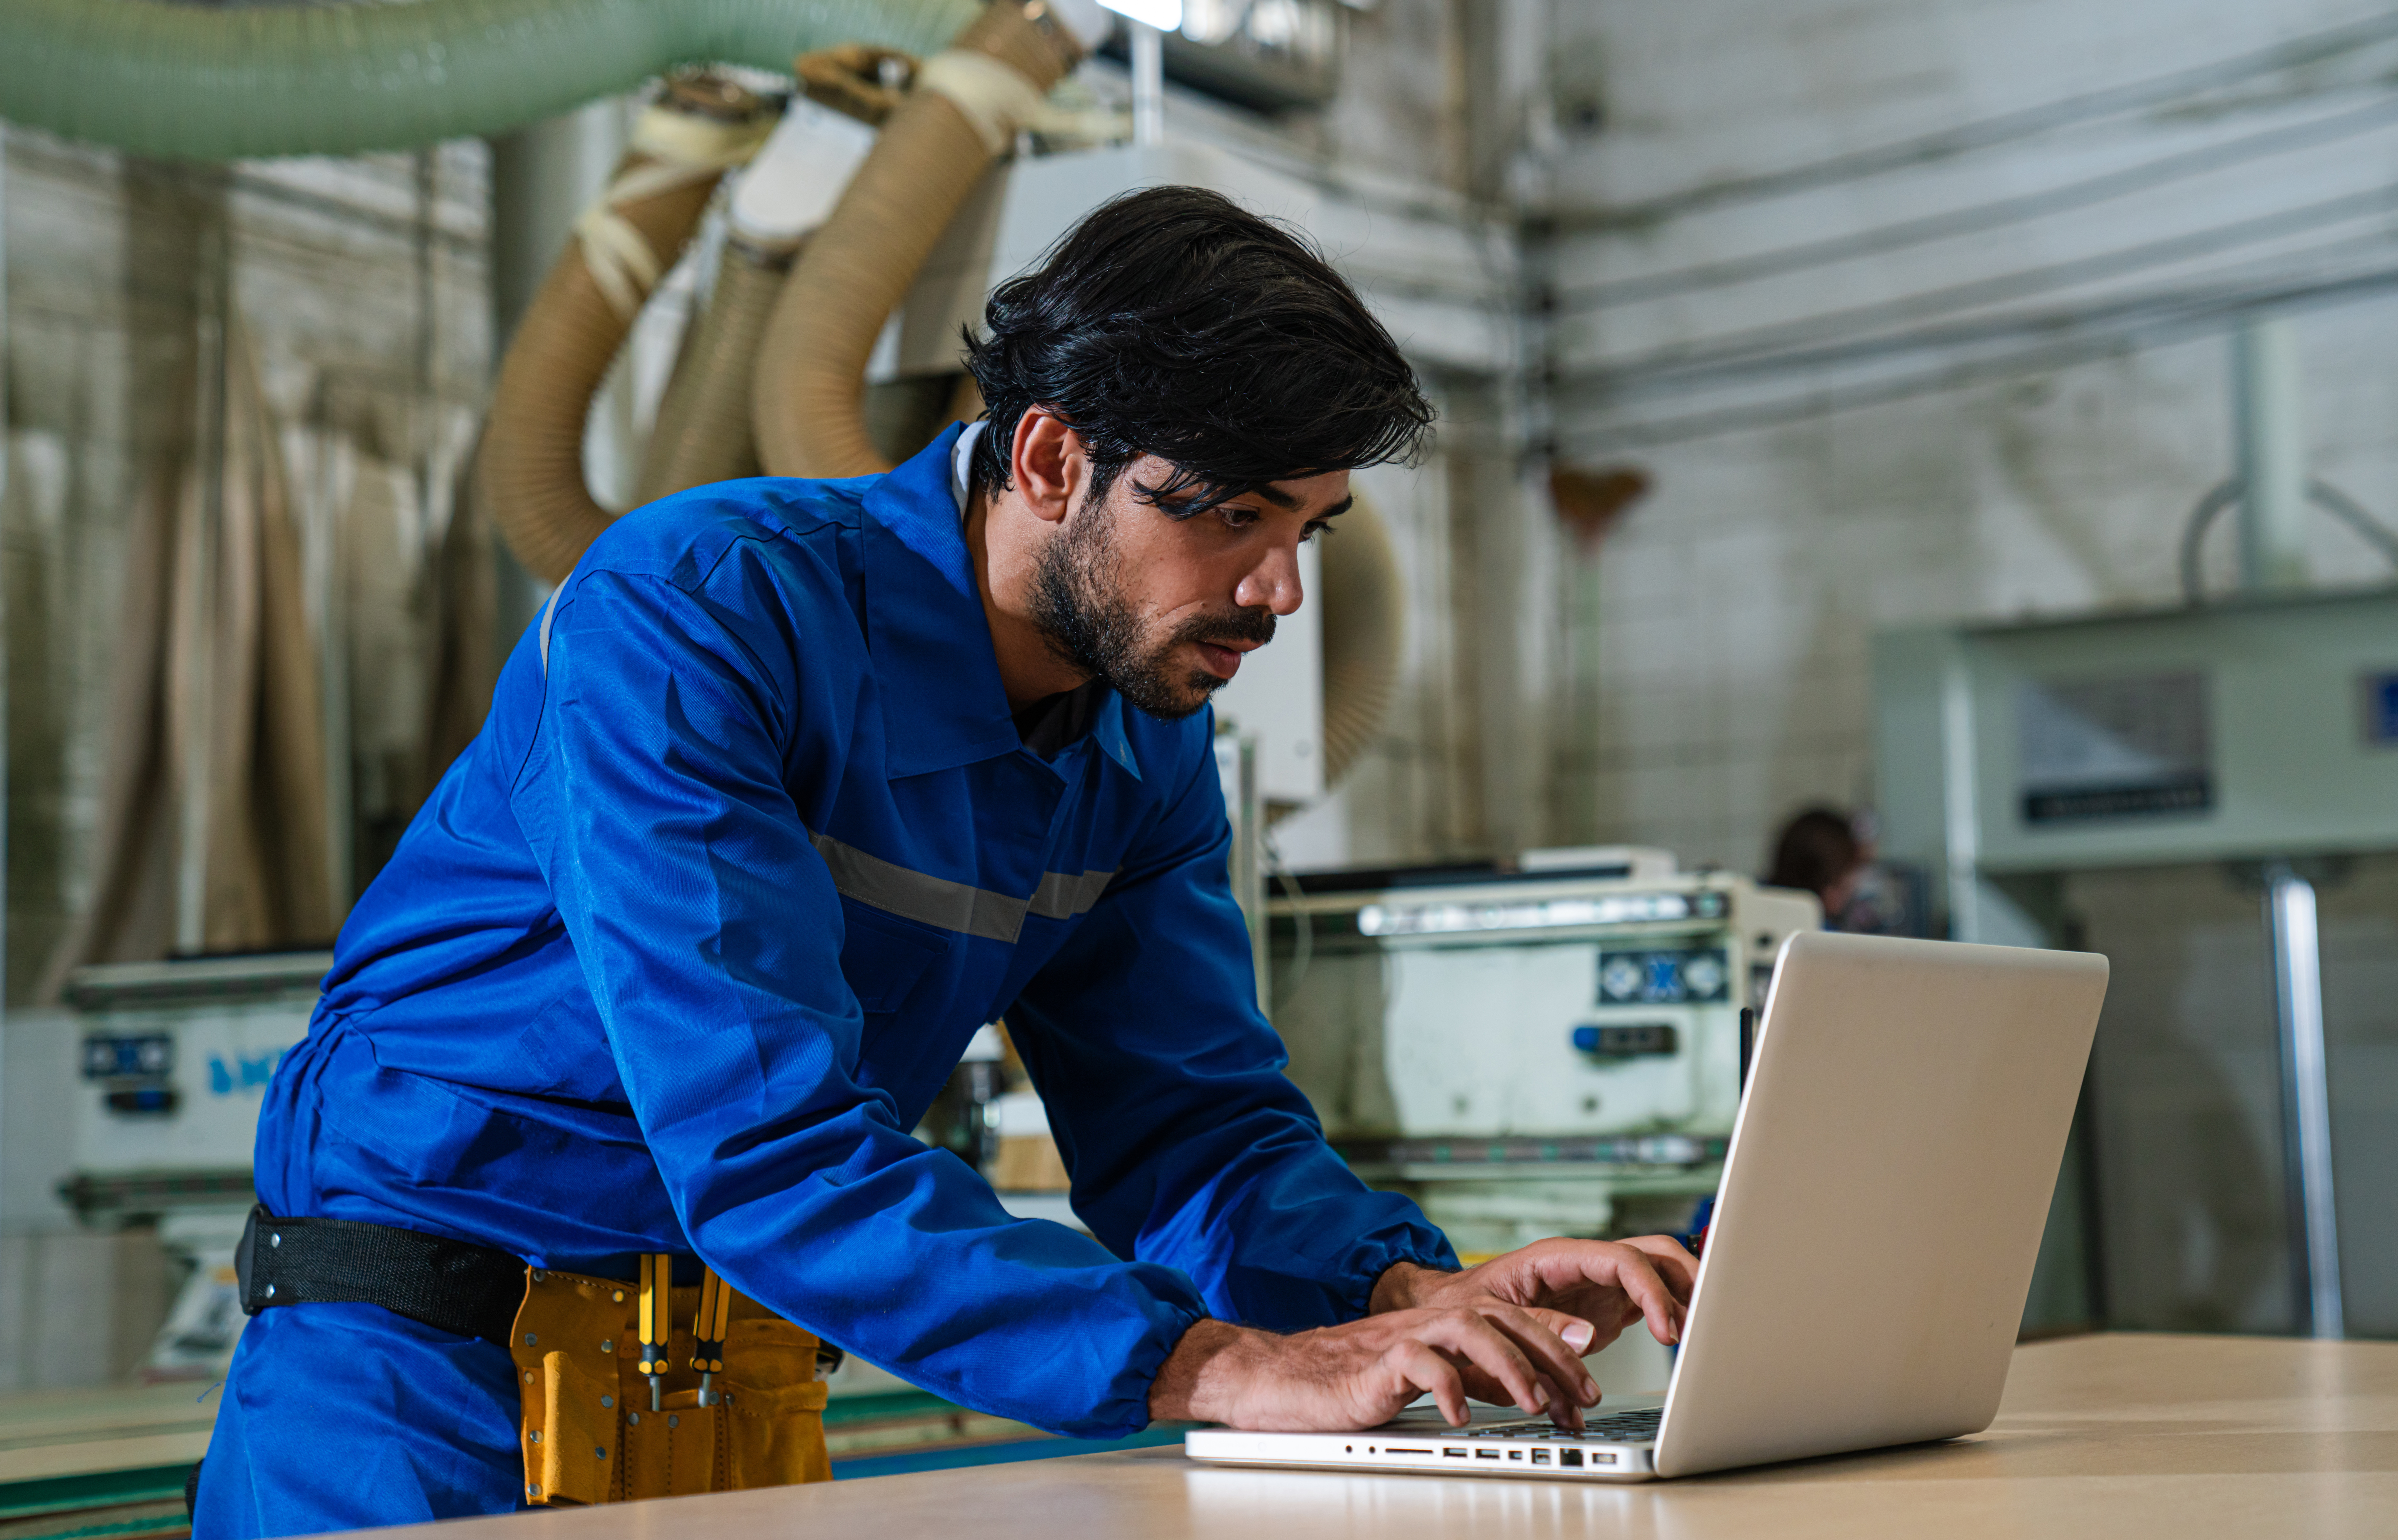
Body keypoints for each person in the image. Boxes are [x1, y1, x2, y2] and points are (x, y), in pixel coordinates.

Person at [195, 187, 1697, 1537]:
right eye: (1237, 516)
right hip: (415, 1391)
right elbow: (767, 1141)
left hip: (730, 1383)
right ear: (1050, 455)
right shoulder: (702, 614)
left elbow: (1192, 1131)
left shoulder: (1142, 735)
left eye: (1309, 525)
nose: (1279, 592)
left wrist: (1408, 1294)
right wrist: (1223, 1364)